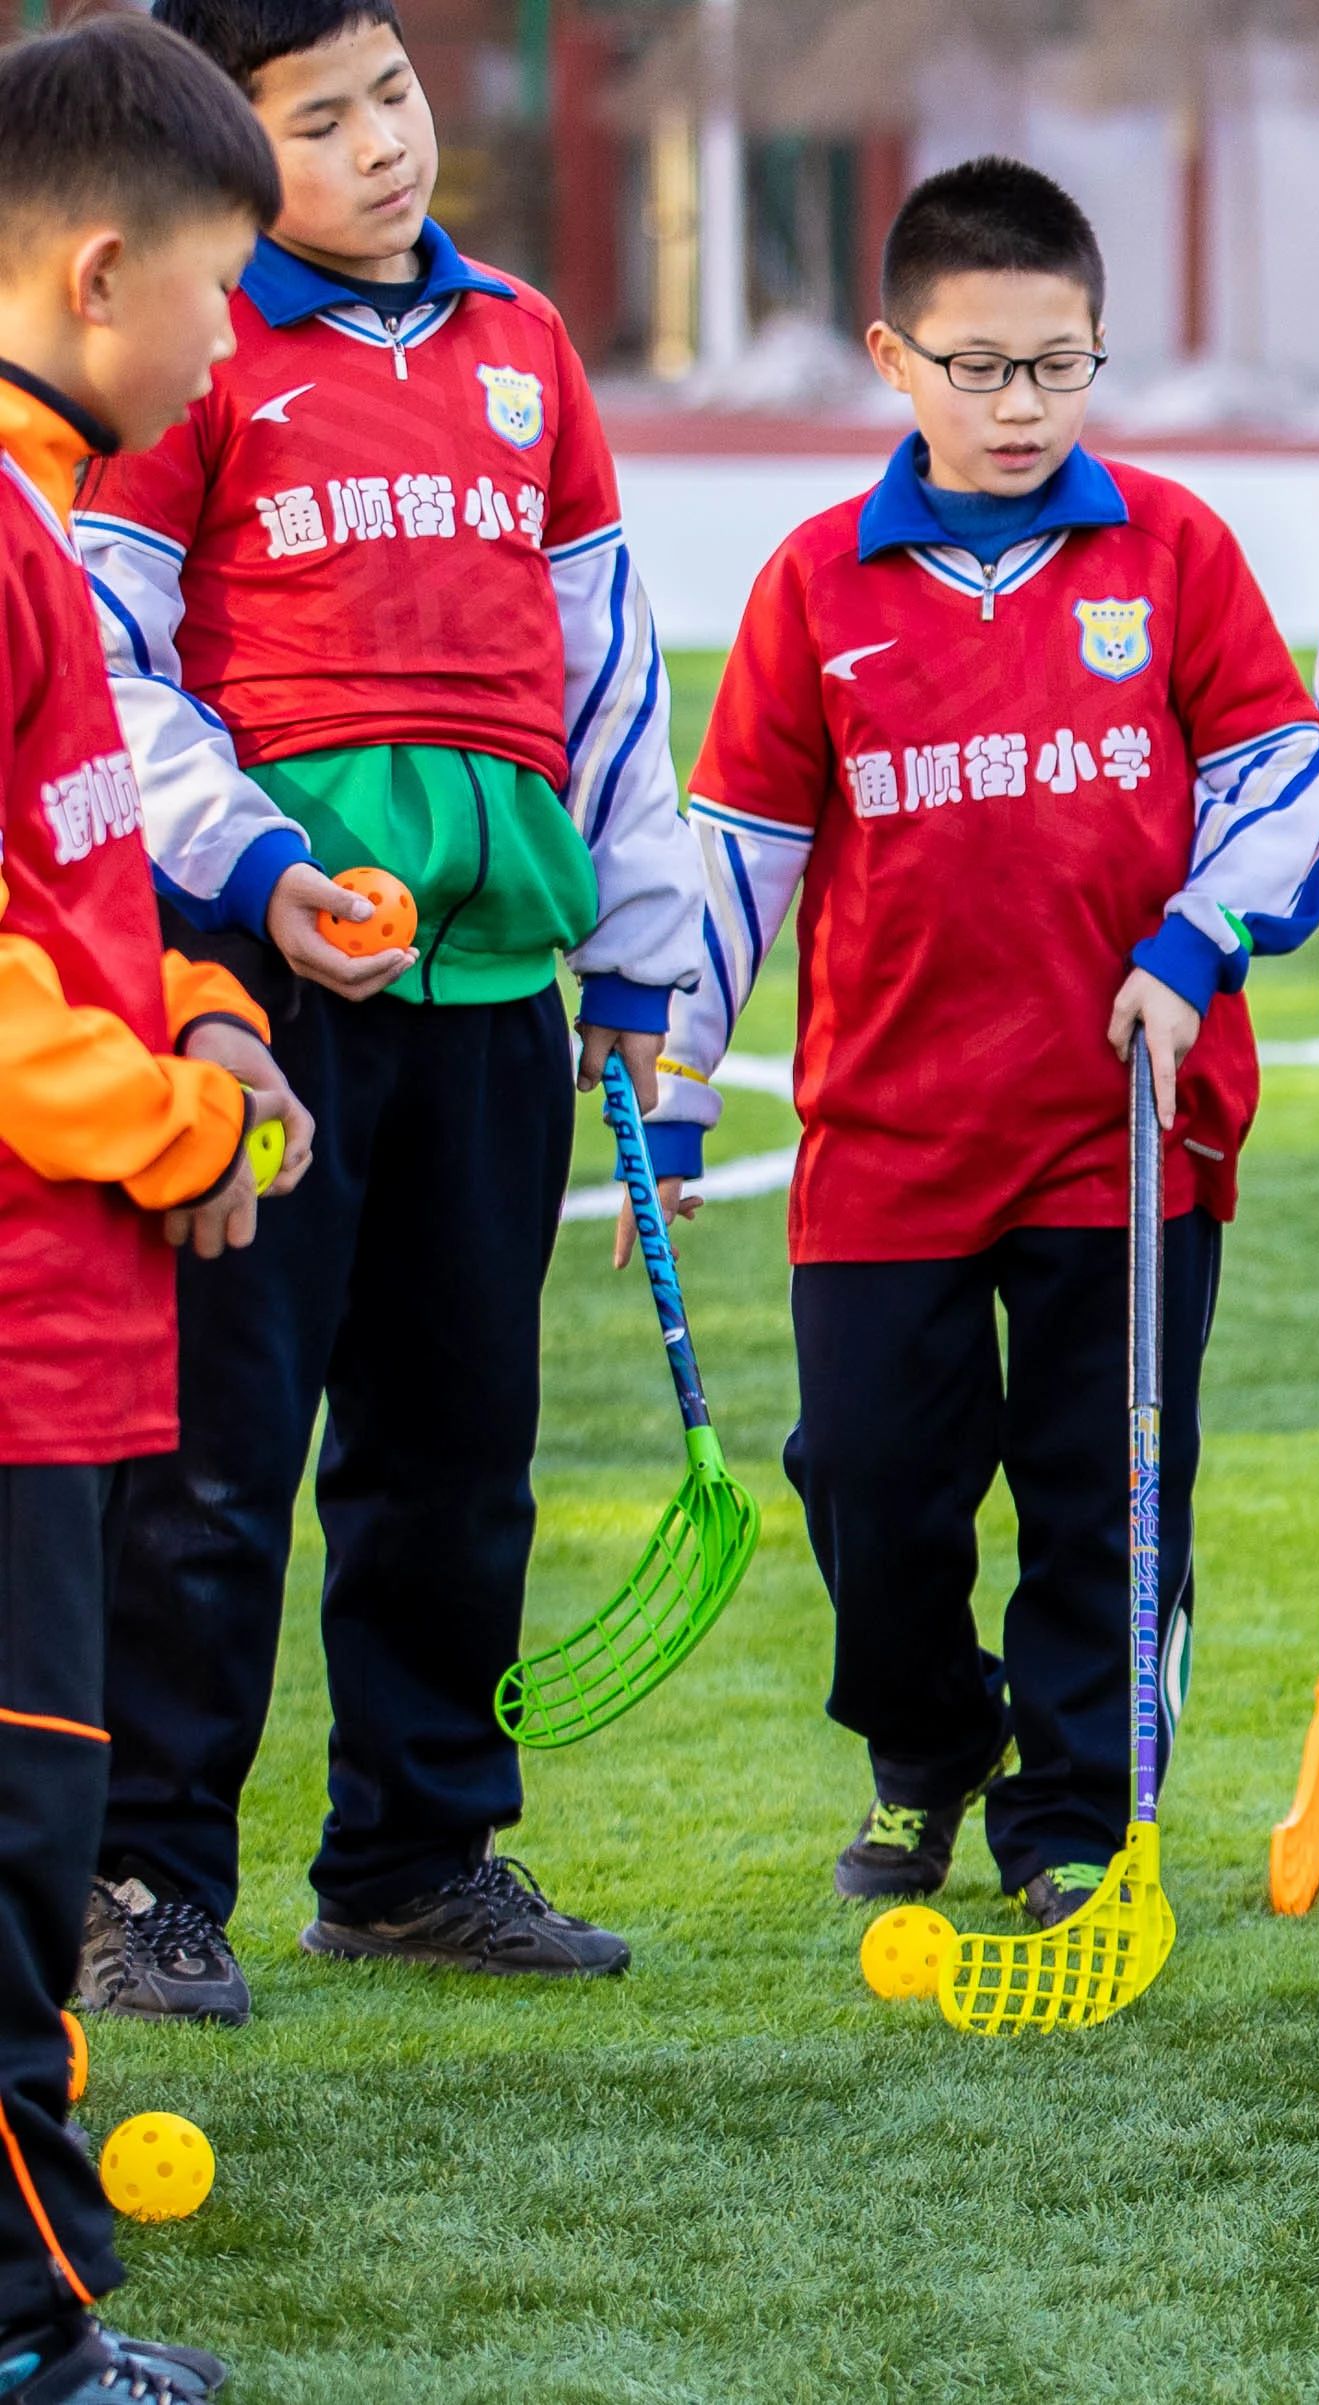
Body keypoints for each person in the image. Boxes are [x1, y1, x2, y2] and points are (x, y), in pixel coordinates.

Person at [71, 0, 699, 2022]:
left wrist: (635, 950)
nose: (382, 150)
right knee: (217, 1453)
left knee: (459, 1444)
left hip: (501, 986)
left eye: (396, 99)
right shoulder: (187, 345)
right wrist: (254, 875)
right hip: (266, 992)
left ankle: (418, 1853)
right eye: (320, 122)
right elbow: (111, 663)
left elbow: (606, 669)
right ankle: (149, 1877)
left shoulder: (522, 341)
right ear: (235, 157)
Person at [649, 158, 1319, 1924]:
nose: (1020, 405)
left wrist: (1197, 942)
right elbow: (739, 857)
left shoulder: (1174, 550)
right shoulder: (813, 588)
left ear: (1098, 354)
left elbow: (1284, 790)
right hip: (886, 1136)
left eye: (1058, 365)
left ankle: (1073, 1822)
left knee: (1106, 1499)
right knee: (872, 1485)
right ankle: (927, 1737)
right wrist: (669, 1078)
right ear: (894, 356)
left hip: (1128, 1126)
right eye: (979, 366)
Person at [0, 16, 317, 2394]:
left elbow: (69, 890)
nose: (231, 351)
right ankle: (25, 2328)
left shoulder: (33, 516)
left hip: (69, 1328)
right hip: (14, 1340)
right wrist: (181, 1130)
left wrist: (199, 1010)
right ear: (102, 271)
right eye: (220, 299)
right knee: (19, 1850)